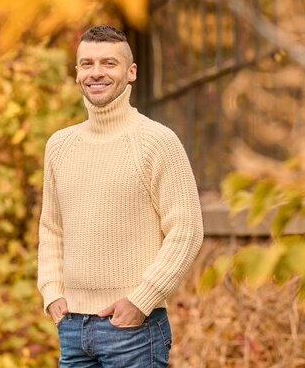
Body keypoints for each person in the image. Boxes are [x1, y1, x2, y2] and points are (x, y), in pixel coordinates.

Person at [37, 25, 204, 367]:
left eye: (108, 63)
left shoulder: (157, 142)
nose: (96, 72)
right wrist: (51, 290)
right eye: (87, 64)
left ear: (131, 73)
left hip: (133, 330)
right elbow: (51, 228)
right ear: (77, 73)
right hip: (72, 329)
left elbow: (187, 230)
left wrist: (142, 300)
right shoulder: (59, 146)